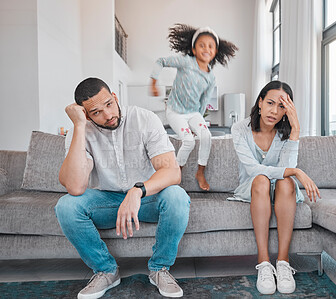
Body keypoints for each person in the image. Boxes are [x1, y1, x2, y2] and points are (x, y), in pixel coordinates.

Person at [55, 77, 190, 299]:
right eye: (96, 112)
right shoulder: (79, 132)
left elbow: (172, 172)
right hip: (106, 202)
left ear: (115, 97)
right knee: (66, 206)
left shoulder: (144, 119)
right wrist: (79, 126)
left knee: (176, 196)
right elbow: (75, 186)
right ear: (87, 115)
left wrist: (137, 191)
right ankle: (106, 270)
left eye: (109, 104)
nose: (108, 115)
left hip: (146, 198)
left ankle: (159, 269)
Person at [230, 80, 321, 295]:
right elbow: (254, 170)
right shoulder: (240, 129)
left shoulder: (285, 131)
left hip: (283, 190)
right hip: (253, 187)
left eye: (281, 107)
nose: (274, 111)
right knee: (262, 178)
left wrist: (296, 129)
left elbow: (285, 169)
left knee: (286, 180)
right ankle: (263, 263)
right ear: (260, 102)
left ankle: (283, 262)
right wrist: (297, 172)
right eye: (270, 103)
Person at [150, 23, 238, 191]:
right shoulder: (186, 62)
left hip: (192, 113)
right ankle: (176, 172)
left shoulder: (211, 78)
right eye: (202, 45)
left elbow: (204, 101)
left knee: (206, 136)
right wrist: (154, 81)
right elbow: (161, 61)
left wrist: (196, 122)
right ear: (194, 49)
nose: (206, 48)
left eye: (211, 46)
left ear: (215, 52)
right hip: (175, 111)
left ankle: (200, 172)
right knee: (188, 141)